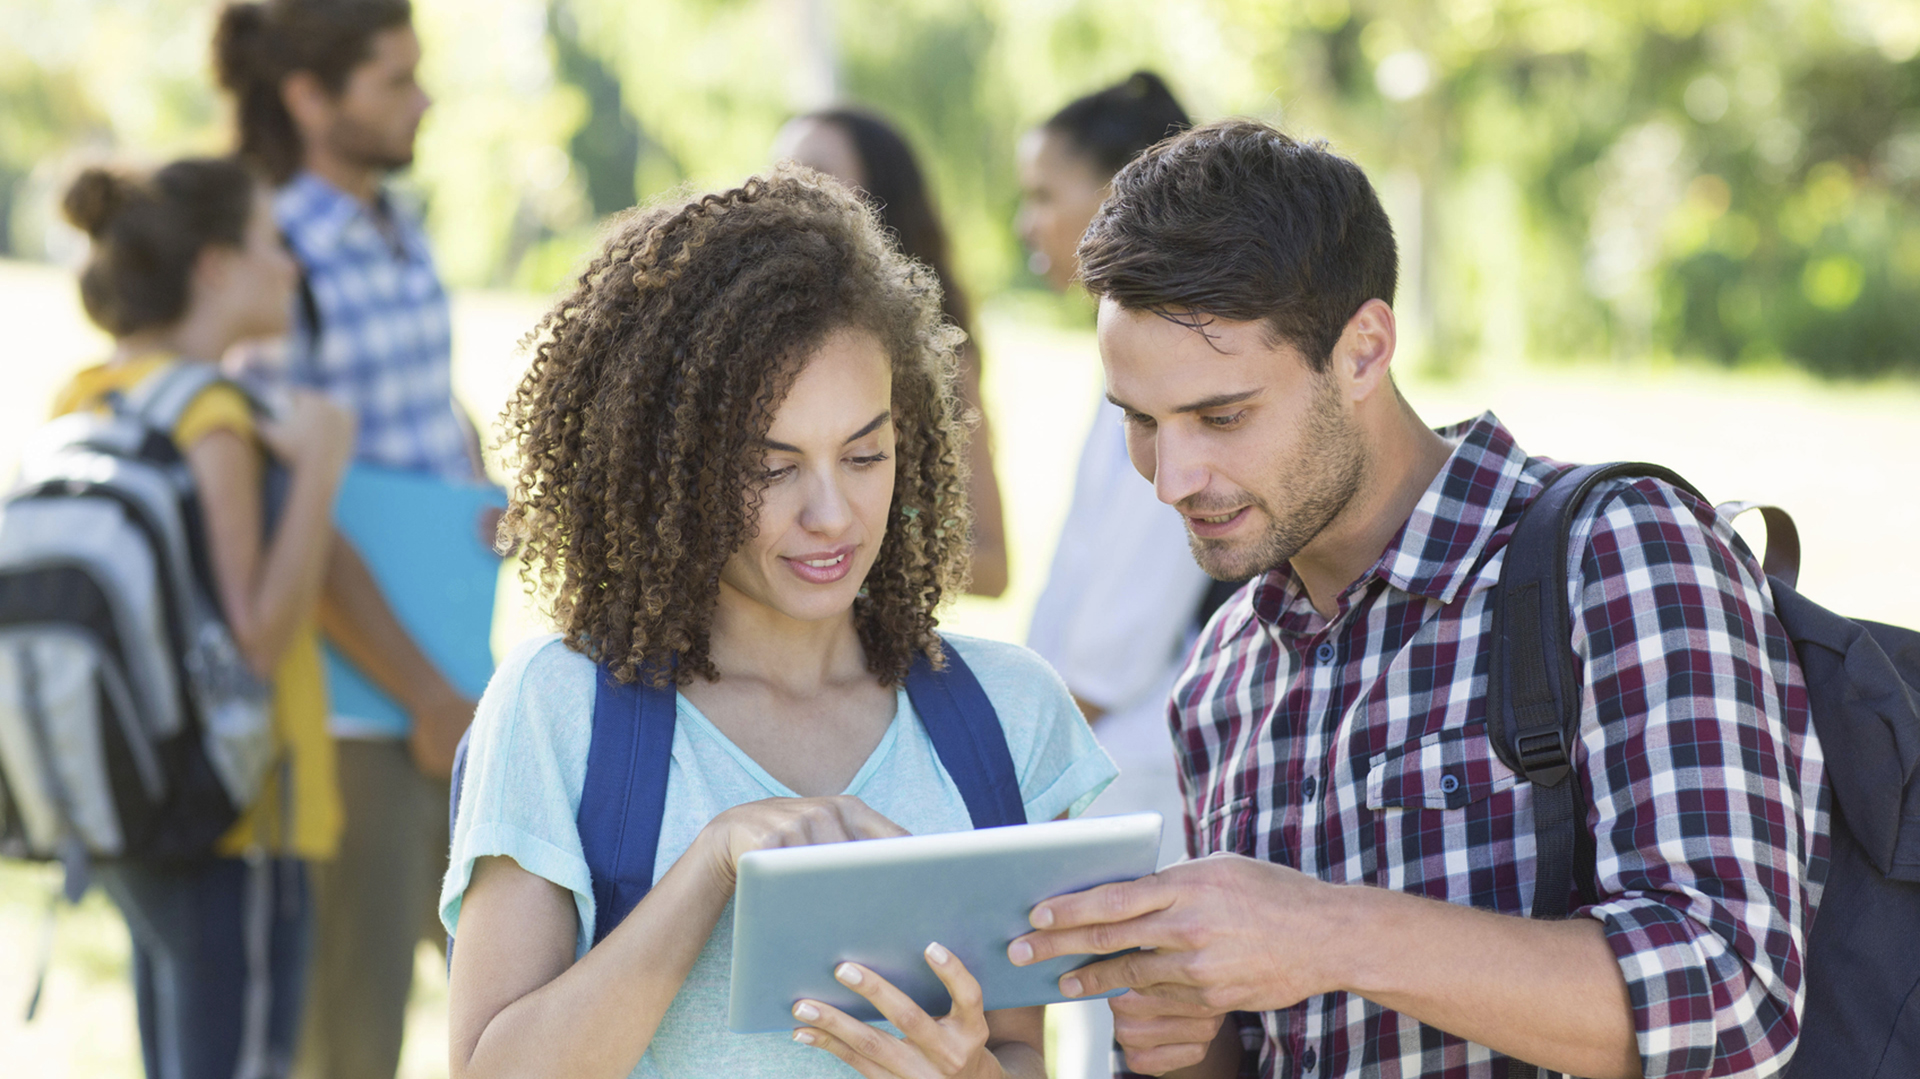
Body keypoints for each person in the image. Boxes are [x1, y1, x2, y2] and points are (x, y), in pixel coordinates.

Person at [1005, 119, 1828, 1079]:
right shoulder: (1222, 672)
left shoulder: (1618, 552)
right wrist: (1182, 1040)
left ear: (1363, 349)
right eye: (1140, 423)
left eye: (1222, 415)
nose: (1172, 478)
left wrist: (1325, 931)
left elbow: (1733, 991)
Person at [440, 167, 1117, 1078]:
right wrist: (714, 864)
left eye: (865, 453)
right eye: (772, 467)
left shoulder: (1008, 713)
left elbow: (1017, 1049)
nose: (832, 515)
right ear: (671, 466)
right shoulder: (559, 707)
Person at [213, 5, 483, 1077]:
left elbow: (417, 411)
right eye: (393, 81)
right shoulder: (275, 258)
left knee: (517, 994)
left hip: (447, 682)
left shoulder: (394, 223)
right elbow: (291, 514)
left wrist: (478, 488)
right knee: (350, 1038)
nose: (425, 100)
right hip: (358, 708)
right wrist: (425, 696)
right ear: (308, 98)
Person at [54, 157, 354, 1079]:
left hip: (129, 797)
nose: (291, 267)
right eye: (270, 243)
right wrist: (320, 464)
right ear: (215, 267)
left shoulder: (87, 392)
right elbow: (257, 638)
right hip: (239, 816)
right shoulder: (213, 413)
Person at [1013, 71, 1206, 1079]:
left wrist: (1017, 771)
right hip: (1099, 765)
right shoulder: (1123, 370)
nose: (1028, 222)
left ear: (1120, 192)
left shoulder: (1178, 384)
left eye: (1046, 193)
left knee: (1133, 1034)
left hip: (1134, 773)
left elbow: (1114, 642)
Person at [773, 107, 1009, 597]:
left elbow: (991, 565)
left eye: (815, 173)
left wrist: (846, 553)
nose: (786, 192)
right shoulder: (739, 346)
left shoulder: (937, 362)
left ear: (877, 199)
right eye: (779, 173)